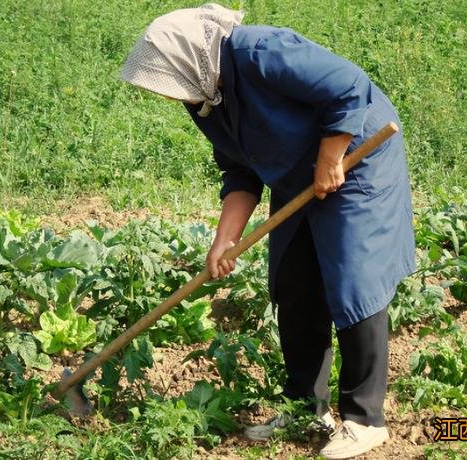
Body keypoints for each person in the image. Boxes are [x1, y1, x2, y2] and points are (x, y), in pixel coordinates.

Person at [120, 4, 415, 458]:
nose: (168, 94)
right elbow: (240, 169)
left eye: (168, 81)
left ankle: (363, 418)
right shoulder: (203, 98)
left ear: (186, 60)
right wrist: (225, 238)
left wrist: (332, 155)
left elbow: (348, 86)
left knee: (356, 280)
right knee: (294, 281)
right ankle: (305, 409)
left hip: (358, 158)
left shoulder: (261, 52)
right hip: (298, 174)